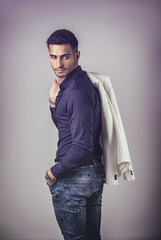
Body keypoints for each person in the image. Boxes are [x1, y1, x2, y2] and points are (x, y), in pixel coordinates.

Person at [45, 29, 105, 240]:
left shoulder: (75, 92)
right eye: (53, 56)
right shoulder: (77, 84)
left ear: (77, 55)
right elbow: (66, 128)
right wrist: (54, 103)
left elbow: (81, 146)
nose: (58, 63)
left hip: (74, 177)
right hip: (92, 173)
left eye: (65, 56)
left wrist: (53, 173)